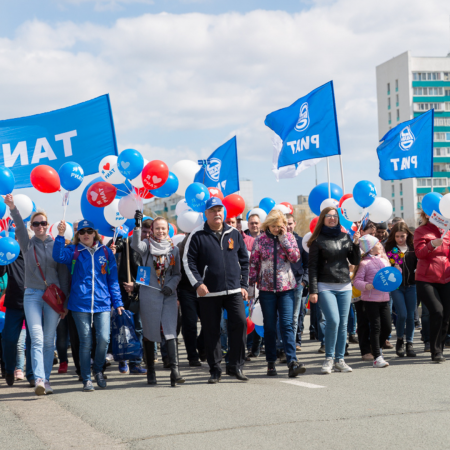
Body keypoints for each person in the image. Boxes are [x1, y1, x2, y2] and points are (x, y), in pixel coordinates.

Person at [5, 195, 69, 396]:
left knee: (49, 340)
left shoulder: (57, 244)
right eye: (36, 223)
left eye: (43, 223)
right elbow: (18, 224)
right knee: (37, 338)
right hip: (31, 294)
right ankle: (39, 378)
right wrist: (13, 208)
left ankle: (46, 379)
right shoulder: (27, 243)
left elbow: (63, 275)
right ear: (31, 226)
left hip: (53, 297)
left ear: (47, 225)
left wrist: (64, 302)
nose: (40, 226)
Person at [183, 197, 249, 383]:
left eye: (219, 210)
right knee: (211, 331)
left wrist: (244, 286)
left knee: (240, 324)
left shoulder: (234, 233)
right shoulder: (196, 235)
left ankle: (235, 366)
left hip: (234, 291)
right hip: (208, 292)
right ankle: (215, 369)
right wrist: (198, 283)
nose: (217, 213)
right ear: (206, 214)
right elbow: (188, 262)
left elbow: (244, 261)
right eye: (212, 210)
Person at [53, 219, 124, 391]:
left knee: (104, 340)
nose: (86, 234)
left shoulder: (106, 252)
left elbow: (113, 280)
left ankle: (98, 370)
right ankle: (86, 378)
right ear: (78, 235)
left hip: (103, 302)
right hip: (80, 303)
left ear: (95, 233)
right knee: (85, 341)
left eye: (89, 231)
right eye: (82, 232)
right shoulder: (74, 251)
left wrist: (118, 302)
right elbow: (58, 256)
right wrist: (61, 235)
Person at [249, 209, 305, 377]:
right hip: (266, 289)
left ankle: (292, 362)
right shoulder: (260, 240)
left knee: (287, 325)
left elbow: (295, 258)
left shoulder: (289, 237)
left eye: (278, 226)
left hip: (286, 288)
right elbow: (253, 264)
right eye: (273, 226)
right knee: (270, 326)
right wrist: (251, 288)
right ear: (268, 225)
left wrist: (283, 239)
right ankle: (271, 363)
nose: (275, 229)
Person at [131, 213, 184, 387]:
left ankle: (174, 371)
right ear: (152, 230)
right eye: (157, 228)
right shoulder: (146, 245)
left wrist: (172, 285)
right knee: (149, 333)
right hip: (149, 294)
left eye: (163, 228)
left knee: (170, 331)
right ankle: (151, 371)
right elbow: (134, 244)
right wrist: (137, 225)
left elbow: (177, 274)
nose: (160, 231)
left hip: (168, 294)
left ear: (167, 230)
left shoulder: (173, 249)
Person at [308, 206, 360, 374]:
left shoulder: (346, 237)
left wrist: (356, 244)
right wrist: (313, 290)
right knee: (334, 321)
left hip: (344, 285)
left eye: (335, 216)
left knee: (343, 324)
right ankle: (329, 359)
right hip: (325, 285)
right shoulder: (317, 241)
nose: (332, 218)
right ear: (323, 219)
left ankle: (340, 360)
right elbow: (313, 268)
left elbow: (354, 260)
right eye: (329, 216)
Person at [110, 221, 150, 375]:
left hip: (138, 292)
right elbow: (117, 245)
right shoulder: (126, 242)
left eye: (148, 231)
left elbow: (145, 272)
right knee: (122, 327)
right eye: (143, 231)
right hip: (121, 292)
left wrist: (136, 285)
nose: (145, 234)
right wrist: (114, 246)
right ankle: (122, 358)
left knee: (138, 329)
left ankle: (135, 363)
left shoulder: (149, 247)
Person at [414, 210, 450, 363]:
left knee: (447, 316)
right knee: (437, 311)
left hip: (446, 278)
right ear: (428, 215)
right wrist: (431, 245)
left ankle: (440, 348)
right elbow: (419, 253)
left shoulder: (447, 231)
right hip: (426, 279)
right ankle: (435, 351)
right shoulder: (420, 231)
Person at [353, 235, 392, 368]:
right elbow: (356, 281)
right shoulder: (364, 263)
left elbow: (390, 277)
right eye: (377, 244)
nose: (380, 245)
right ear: (370, 248)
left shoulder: (385, 261)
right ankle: (377, 357)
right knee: (376, 327)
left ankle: (376, 348)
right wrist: (366, 286)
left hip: (384, 298)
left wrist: (396, 272)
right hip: (370, 300)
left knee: (387, 327)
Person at [0, 248, 34, 387]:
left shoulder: (35, 253)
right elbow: (1, 273)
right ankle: (9, 369)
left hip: (34, 304)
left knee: (33, 341)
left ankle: (32, 374)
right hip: (14, 304)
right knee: (9, 339)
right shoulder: (11, 255)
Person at [385, 222, 417, 358]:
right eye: (397, 236)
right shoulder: (390, 248)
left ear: (407, 235)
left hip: (412, 285)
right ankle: (399, 340)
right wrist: (392, 265)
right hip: (396, 287)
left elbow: (419, 262)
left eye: (402, 236)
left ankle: (409, 343)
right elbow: (384, 265)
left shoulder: (413, 247)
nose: (400, 239)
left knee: (410, 316)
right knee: (402, 314)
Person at [177, 233, 205, 367]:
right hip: (186, 289)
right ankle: (192, 356)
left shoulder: (206, 240)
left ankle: (201, 344)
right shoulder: (181, 246)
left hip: (205, 289)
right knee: (190, 323)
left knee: (210, 321)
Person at [285, 214, 308, 350]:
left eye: (290, 223)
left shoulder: (301, 241)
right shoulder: (279, 240)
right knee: (283, 317)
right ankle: (284, 344)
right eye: (285, 223)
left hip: (298, 283)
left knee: (295, 316)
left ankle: (292, 345)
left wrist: (304, 281)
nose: (288, 226)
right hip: (282, 285)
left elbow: (307, 264)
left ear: (294, 223)